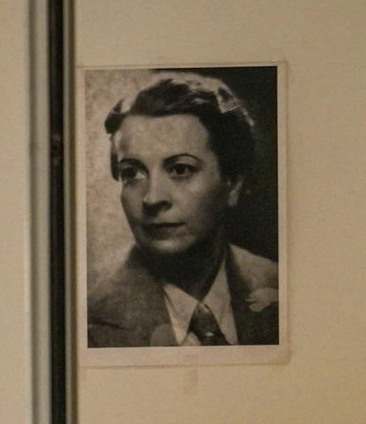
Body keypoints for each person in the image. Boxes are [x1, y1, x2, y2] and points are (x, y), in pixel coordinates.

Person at [86, 71, 279, 347]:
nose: (152, 198)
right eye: (132, 173)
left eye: (180, 169)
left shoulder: (282, 287)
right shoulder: (89, 320)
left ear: (232, 183)